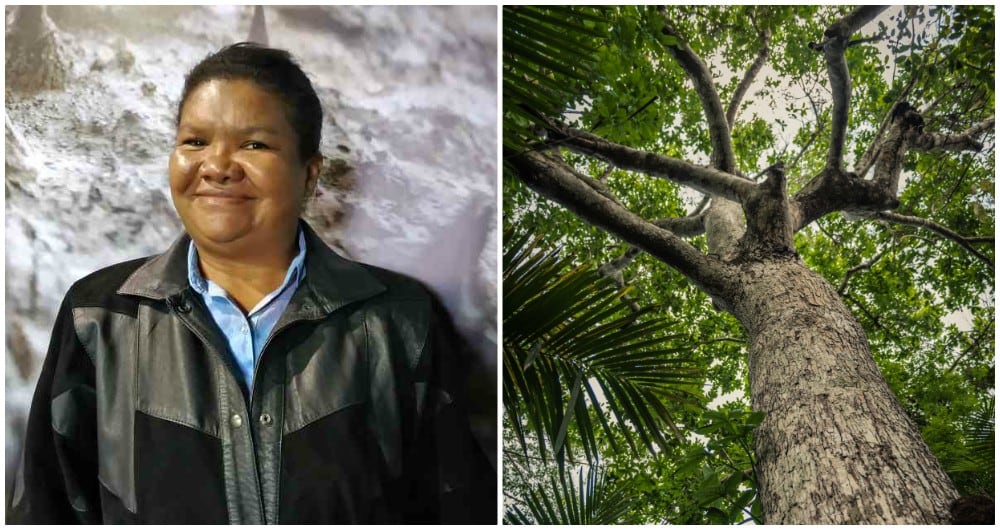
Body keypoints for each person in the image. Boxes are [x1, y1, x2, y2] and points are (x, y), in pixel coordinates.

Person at [7, 42, 495, 524]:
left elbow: (457, 505)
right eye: (194, 141)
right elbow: (45, 507)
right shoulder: (100, 318)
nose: (216, 166)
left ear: (309, 174)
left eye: (253, 144)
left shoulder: (396, 320)